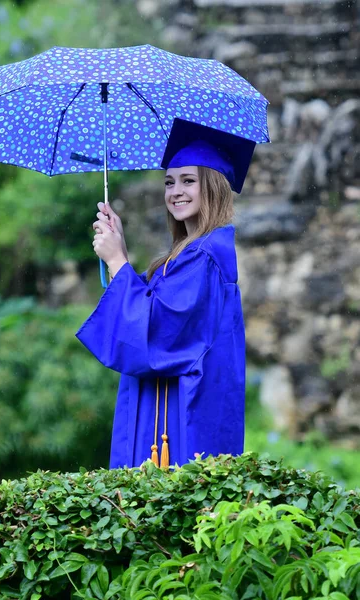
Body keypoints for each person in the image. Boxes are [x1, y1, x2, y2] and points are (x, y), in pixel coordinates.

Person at [76, 118, 250, 469]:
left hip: (183, 413)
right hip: (171, 404)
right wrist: (119, 250)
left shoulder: (204, 256)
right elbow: (151, 307)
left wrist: (117, 261)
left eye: (189, 180)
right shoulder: (186, 255)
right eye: (169, 182)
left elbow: (156, 330)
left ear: (213, 187)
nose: (176, 191)